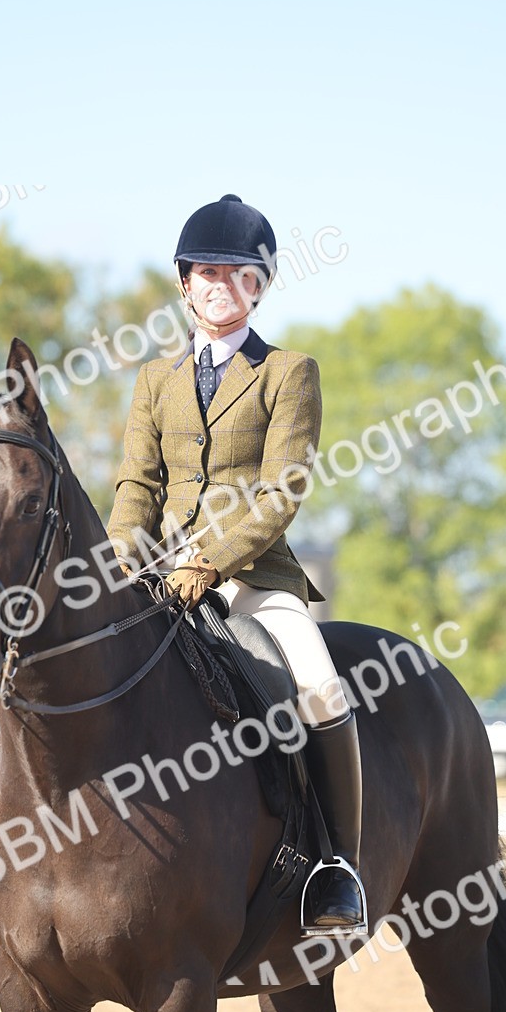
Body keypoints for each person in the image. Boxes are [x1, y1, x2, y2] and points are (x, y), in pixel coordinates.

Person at [106, 194, 366, 934]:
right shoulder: (155, 381)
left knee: (318, 686)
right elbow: (135, 488)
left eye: (236, 272)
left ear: (259, 285)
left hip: (254, 579)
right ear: (184, 284)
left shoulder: (288, 372)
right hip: (159, 576)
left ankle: (336, 867)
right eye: (205, 272)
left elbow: (283, 490)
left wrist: (212, 563)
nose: (219, 284)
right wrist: (126, 556)